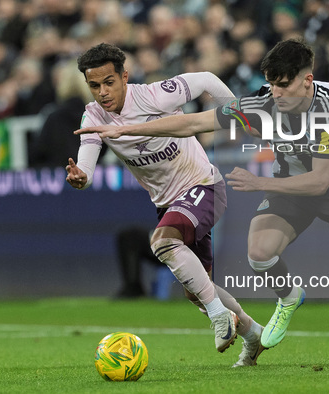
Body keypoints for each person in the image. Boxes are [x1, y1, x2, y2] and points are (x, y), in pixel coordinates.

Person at [76, 38, 329, 367]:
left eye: (284, 85)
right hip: (288, 186)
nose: (276, 93)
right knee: (259, 253)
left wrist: (260, 182)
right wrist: (125, 130)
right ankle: (288, 297)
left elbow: (320, 180)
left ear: (308, 80)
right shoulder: (264, 100)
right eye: (271, 83)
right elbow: (193, 121)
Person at [65, 43, 264, 367]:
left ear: (124, 77)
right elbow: (87, 164)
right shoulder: (94, 115)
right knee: (196, 290)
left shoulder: (155, 96)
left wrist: (240, 114)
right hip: (170, 204)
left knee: (162, 241)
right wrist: (80, 177)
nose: (103, 92)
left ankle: (219, 317)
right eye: (94, 85)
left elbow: (207, 80)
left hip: (203, 186)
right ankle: (254, 336)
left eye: (109, 82)